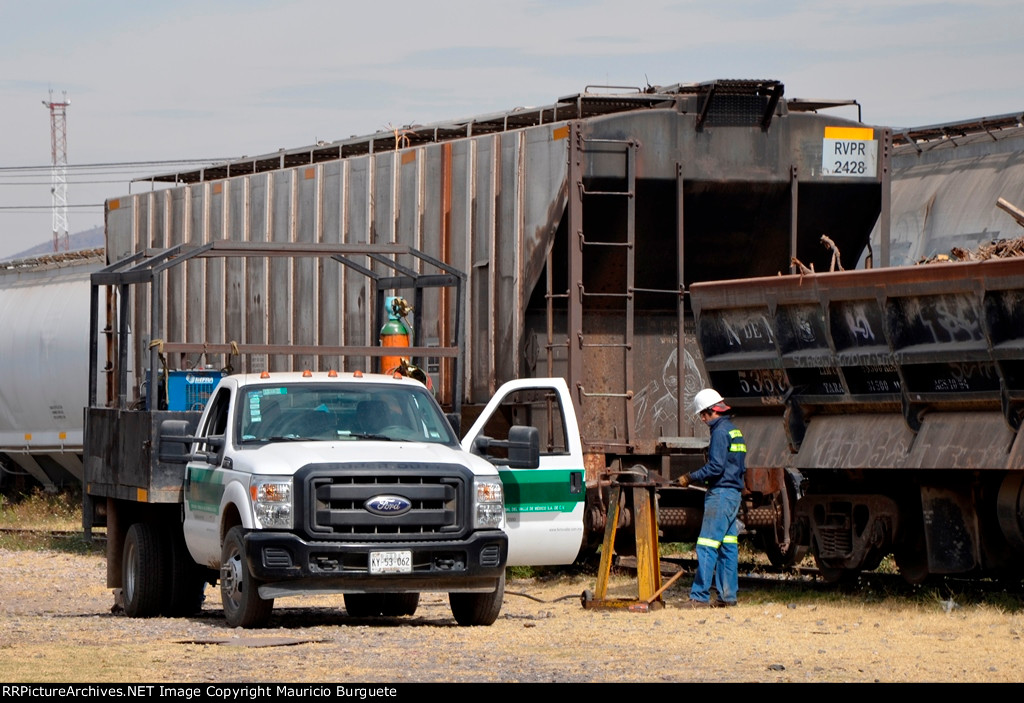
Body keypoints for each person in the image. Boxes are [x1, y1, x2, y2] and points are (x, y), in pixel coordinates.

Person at [677, 388, 746, 608]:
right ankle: (727, 597)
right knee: (727, 546)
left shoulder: (718, 432)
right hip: (734, 495)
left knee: (706, 545)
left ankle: (699, 597)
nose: (702, 419)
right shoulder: (735, 431)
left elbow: (716, 467)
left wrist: (690, 477)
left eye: (702, 415)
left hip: (721, 494)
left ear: (710, 411)